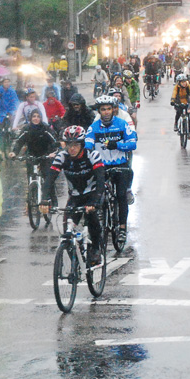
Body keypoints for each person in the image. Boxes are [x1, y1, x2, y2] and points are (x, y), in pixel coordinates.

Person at [40, 125, 105, 264]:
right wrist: (44, 199)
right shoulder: (62, 156)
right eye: (69, 145)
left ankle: (95, 249)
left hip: (92, 194)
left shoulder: (92, 155)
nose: (72, 148)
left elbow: (101, 180)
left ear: (82, 144)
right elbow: (50, 179)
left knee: (92, 218)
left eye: (76, 145)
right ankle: (75, 263)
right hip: (75, 196)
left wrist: (95, 201)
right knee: (67, 230)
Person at [86, 95, 137, 248]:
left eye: (109, 109)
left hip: (120, 165)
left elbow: (132, 144)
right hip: (102, 166)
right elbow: (88, 146)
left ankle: (122, 228)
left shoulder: (122, 124)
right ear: (99, 111)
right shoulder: (93, 127)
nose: (107, 112)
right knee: (97, 195)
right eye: (103, 109)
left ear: (113, 110)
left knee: (121, 195)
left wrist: (117, 145)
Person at [9, 109, 58, 205]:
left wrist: (52, 153)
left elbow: (54, 142)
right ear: (30, 118)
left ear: (41, 118)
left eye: (38, 116)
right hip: (31, 155)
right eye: (34, 116)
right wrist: (14, 152)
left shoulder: (45, 128)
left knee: (47, 177)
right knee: (30, 175)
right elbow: (19, 142)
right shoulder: (26, 129)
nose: (36, 118)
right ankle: (32, 196)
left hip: (45, 155)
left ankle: (54, 201)